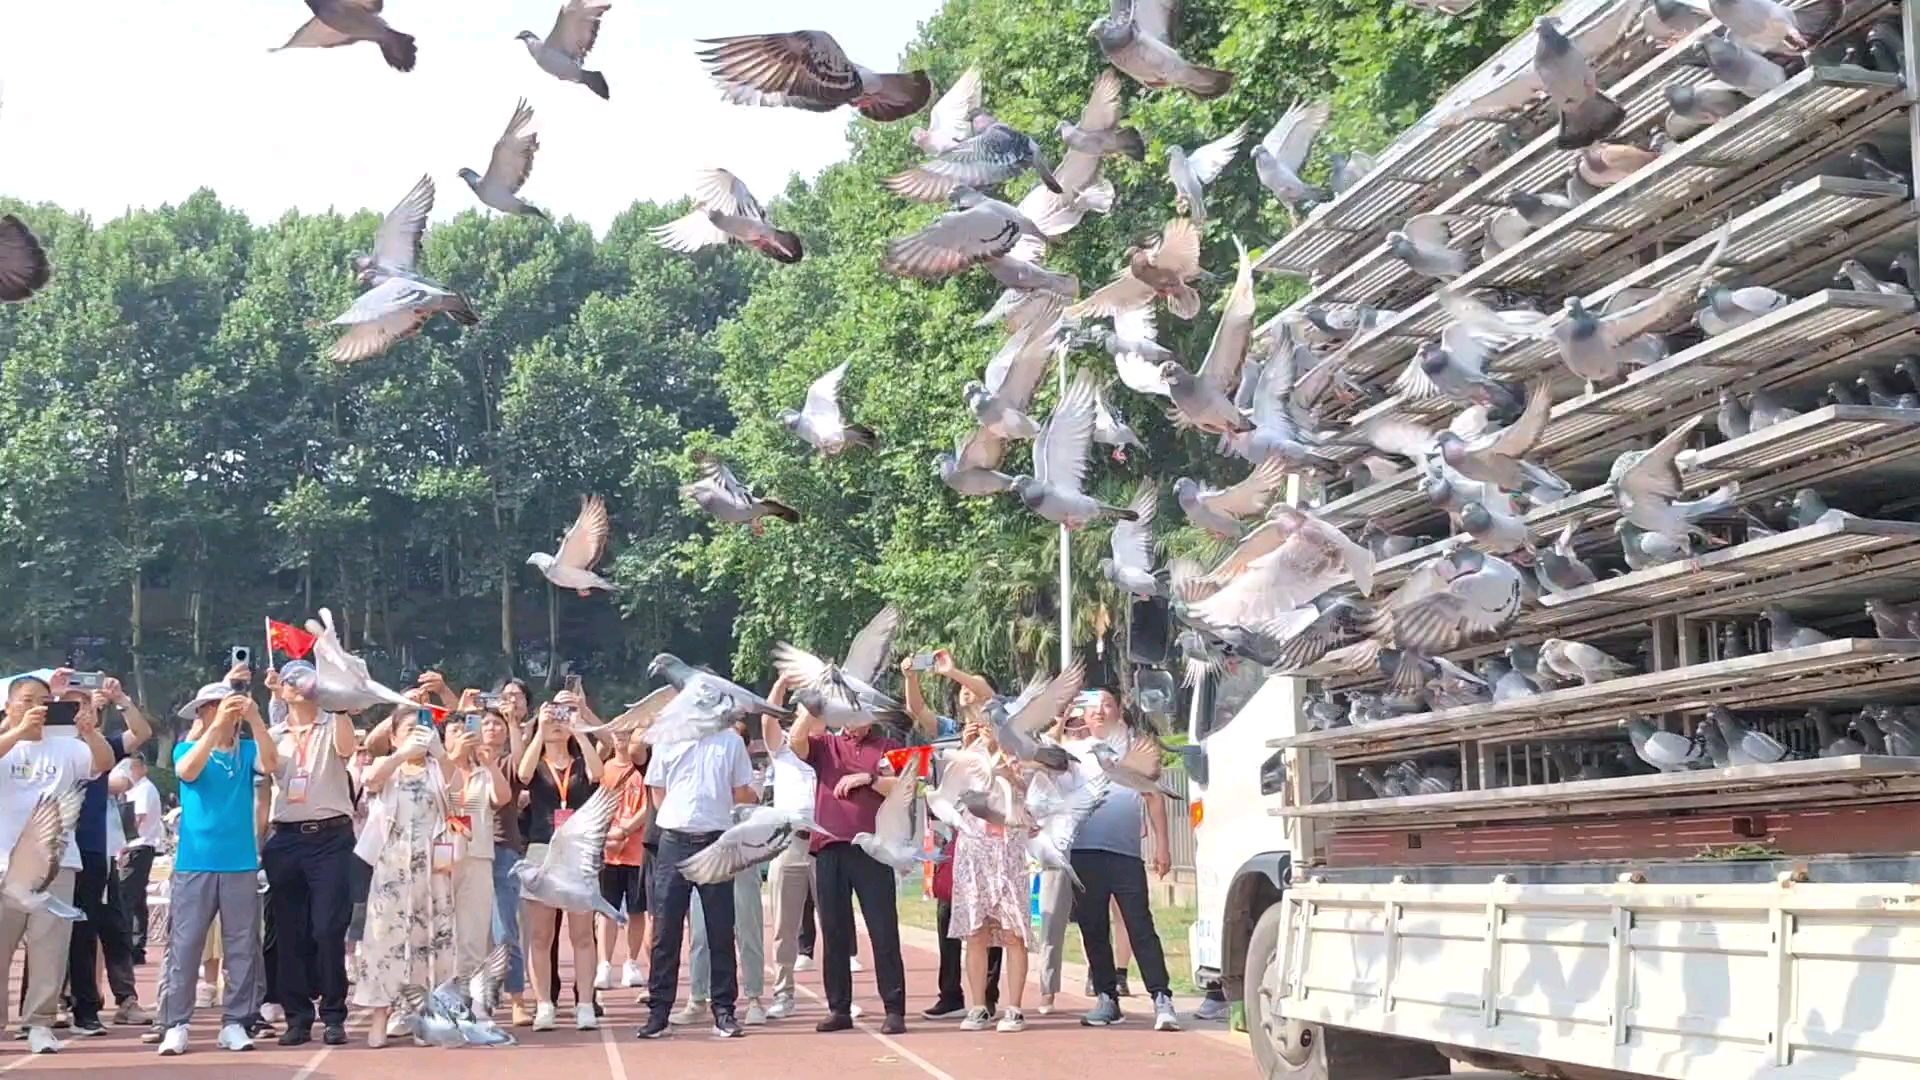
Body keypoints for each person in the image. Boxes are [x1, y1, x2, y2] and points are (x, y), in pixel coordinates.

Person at [157, 682, 281, 1055]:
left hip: (240, 862)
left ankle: (236, 1022)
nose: (223, 711)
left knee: (242, 946)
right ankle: (175, 1024)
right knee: (185, 946)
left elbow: (272, 764)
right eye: (214, 706)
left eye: (227, 705)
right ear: (203, 713)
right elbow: (188, 771)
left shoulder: (246, 751)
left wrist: (257, 718)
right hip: (195, 863)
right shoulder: (187, 749)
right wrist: (214, 729)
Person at [0, 671, 113, 1054]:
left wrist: (90, 731)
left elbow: (104, 762)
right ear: (8, 706)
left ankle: (39, 1023)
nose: (36, 708)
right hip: (3, 865)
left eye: (43, 702)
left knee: (49, 949)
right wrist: (16, 732)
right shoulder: (6, 746)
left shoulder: (68, 748)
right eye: (27, 700)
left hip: (58, 863)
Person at [790, 697, 916, 1035]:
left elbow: (907, 786)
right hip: (830, 848)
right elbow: (795, 742)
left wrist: (868, 779)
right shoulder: (827, 745)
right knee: (833, 931)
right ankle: (839, 1008)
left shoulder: (888, 746)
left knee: (883, 930)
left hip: (873, 850)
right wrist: (812, 708)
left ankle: (894, 1008)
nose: (852, 720)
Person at [1062, 689, 1179, 1032]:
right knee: (1093, 929)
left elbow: (1154, 798)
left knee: (1139, 925)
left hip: (1125, 853)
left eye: (1107, 705)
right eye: (1092, 708)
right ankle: (1106, 998)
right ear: (1082, 717)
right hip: (1083, 852)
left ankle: (1161, 997)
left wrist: (1162, 846)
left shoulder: (1133, 749)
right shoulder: (1071, 753)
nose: (1099, 711)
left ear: (1117, 711)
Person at [636, 712, 756, 1040]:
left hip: (716, 840)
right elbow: (657, 790)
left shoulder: (731, 741)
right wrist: (679, 817)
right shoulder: (668, 737)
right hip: (674, 840)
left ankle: (724, 1011)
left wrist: (711, 815)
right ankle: (659, 1012)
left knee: (720, 928)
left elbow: (740, 790)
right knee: (666, 929)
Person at [260, 660, 357, 1047]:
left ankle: (333, 1014)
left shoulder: (333, 722)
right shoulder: (275, 732)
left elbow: (348, 750)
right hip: (286, 838)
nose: (296, 685)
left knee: (328, 929)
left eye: (304, 678)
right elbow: (267, 768)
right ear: (280, 690)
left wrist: (338, 702)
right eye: (289, 680)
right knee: (289, 933)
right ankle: (297, 1017)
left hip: (331, 838)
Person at [898, 655, 999, 1022]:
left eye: (971, 686)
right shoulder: (949, 728)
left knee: (989, 914)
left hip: (990, 832)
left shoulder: (998, 731)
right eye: (960, 688)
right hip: (954, 833)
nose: (965, 691)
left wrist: (984, 745)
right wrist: (910, 676)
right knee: (947, 912)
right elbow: (917, 709)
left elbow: (987, 695)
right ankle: (951, 992)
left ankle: (987, 993)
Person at [354, 704, 457, 1048]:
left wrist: (440, 751)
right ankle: (381, 1015)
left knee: (428, 940)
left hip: (433, 866)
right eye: (409, 728)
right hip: (392, 866)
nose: (418, 734)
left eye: (422, 727)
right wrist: (401, 754)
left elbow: (458, 792)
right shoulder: (389, 767)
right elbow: (370, 779)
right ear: (395, 735)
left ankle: (424, 1014)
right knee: (385, 940)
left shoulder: (437, 768)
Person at [65, 675, 150, 1035]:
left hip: (95, 852)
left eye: (84, 704)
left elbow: (141, 733)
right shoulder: (44, 747)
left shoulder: (103, 746)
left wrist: (122, 700)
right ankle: (53, 1001)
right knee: (53, 930)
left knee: (105, 926)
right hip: (50, 850)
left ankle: (118, 1001)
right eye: (70, 706)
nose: (80, 712)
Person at [516, 693, 604, 1032]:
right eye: (552, 718)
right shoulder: (536, 766)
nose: (556, 724)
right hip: (541, 850)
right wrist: (539, 728)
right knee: (541, 935)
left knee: (582, 934)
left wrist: (579, 728)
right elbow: (522, 775)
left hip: (578, 853)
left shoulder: (581, 764)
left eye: (560, 719)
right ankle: (543, 1005)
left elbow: (599, 773)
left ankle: (584, 1003)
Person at [676, 718, 766, 1026]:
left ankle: (754, 997)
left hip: (741, 858)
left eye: (735, 737)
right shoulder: (706, 769)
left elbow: (745, 798)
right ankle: (697, 997)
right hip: (710, 857)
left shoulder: (755, 776)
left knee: (747, 930)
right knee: (700, 932)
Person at [759, 678, 817, 1020]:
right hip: (789, 843)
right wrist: (780, 683)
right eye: (802, 712)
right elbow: (767, 719)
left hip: (825, 843)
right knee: (784, 925)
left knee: (836, 923)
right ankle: (783, 992)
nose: (808, 718)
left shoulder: (832, 747)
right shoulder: (781, 748)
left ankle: (840, 996)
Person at [444, 705, 510, 996]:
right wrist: (454, 758)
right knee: (440, 930)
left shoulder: (484, 771)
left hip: (478, 856)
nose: (461, 737)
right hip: (441, 859)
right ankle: (438, 993)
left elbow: (503, 797)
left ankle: (467, 998)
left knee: (473, 932)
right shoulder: (438, 768)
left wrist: (490, 764)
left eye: (465, 730)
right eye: (454, 732)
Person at [478, 705, 531, 1024]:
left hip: (502, 848)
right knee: (471, 932)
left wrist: (514, 724)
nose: (492, 728)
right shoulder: (464, 761)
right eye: (486, 723)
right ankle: (480, 995)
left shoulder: (509, 763)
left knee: (505, 929)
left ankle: (517, 999)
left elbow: (525, 768)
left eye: (498, 724)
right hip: (468, 849)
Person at [594, 726, 650, 992]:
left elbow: (650, 805)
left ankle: (631, 961)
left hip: (637, 850)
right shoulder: (603, 768)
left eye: (628, 732)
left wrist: (626, 830)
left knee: (637, 910)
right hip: (609, 850)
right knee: (607, 909)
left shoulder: (644, 768)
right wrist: (609, 833)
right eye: (618, 732)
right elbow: (596, 805)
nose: (622, 737)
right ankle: (604, 963)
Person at [119, 755, 164, 965]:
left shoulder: (144, 789)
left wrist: (124, 843)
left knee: (128, 896)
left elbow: (139, 817)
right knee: (135, 898)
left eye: (134, 767)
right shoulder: (133, 789)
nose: (131, 771)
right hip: (139, 846)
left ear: (143, 768)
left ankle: (131, 946)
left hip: (139, 846)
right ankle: (135, 946)